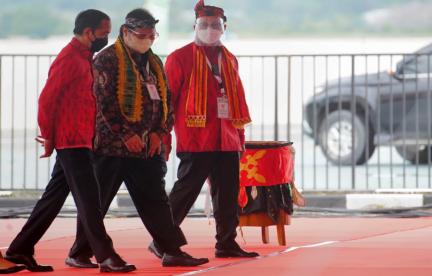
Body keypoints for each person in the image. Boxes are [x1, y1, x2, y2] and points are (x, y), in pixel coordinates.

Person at [66, 8, 209, 268]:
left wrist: (159, 132)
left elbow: (165, 100)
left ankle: (171, 250)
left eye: (152, 35)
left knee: (156, 199)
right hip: (112, 148)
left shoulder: (153, 62)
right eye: (142, 35)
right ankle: (79, 252)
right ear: (126, 32)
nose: (148, 40)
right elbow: (102, 104)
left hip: (146, 148)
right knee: (97, 201)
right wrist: (125, 134)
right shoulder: (106, 60)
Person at [4, 10, 136, 273]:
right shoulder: (69, 58)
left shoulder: (85, 58)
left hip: (80, 139)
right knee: (89, 200)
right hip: (71, 141)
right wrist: (49, 135)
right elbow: (47, 100)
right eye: (104, 33)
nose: (106, 38)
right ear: (89, 33)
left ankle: (20, 249)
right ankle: (106, 256)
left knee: (53, 199)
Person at [148, 0, 259, 259]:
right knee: (185, 192)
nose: (210, 29)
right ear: (195, 26)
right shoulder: (180, 57)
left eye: (215, 25)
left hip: (227, 138)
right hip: (196, 137)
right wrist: (165, 136)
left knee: (228, 193)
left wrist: (240, 138)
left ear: (224, 27)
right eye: (205, 25)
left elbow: (236, 102)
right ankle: (162, 239)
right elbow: (167, 102)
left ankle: (226, 243)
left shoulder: (229, 58)